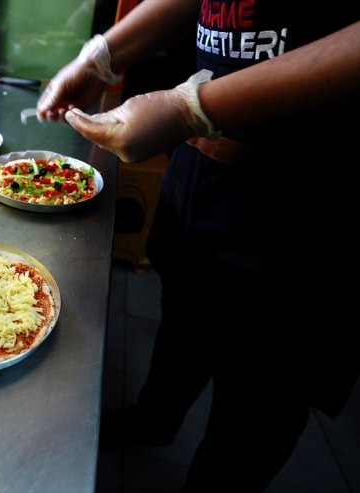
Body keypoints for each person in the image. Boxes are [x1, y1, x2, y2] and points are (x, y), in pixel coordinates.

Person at [37, 2, 359, 491]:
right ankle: (154, 422)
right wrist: (99, 57)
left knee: (260, 399)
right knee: (183, 320)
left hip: (312, 198)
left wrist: (195, 107)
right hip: (204, 174)